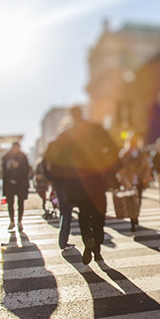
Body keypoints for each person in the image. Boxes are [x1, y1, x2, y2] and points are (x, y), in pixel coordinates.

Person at [52, 106, 119, 264]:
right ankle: (97, 249)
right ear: (82, 114)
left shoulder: (67, 134)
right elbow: (113, 148)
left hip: (77, 182)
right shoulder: (95, 129)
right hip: (96, 179)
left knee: (84, 214)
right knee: (98, 215)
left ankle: (88, 242)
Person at [45, 122, 77, 251]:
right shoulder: (72, 144)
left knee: (65, 209)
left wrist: (51, 178)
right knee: (67, 209)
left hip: (59, 181)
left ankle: (63, 241)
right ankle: (63, 241)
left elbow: (44, 162)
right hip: (68, 180)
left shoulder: (53, 143)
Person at [118, 134, 151, 231]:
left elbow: (147, 165)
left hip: (140, 179)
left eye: (136, 140)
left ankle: (136, 214)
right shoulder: (125, 153)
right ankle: (133, 219)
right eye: (133, 140)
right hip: (129, 180)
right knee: (131, 200)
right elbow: (121, 167)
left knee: (139, 199)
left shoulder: (141, 152)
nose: (134, 142)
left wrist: (146, 176)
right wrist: (122, 179)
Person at [1, 142, 31, 231]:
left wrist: (18, 166)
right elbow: (3, 171)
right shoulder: (6, 157)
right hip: (9, 183)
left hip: (21, 184)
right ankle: (11, 221)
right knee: (10, 203)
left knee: (20, 203)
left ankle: (19, 221)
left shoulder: (23, 156)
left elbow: (27, 170)